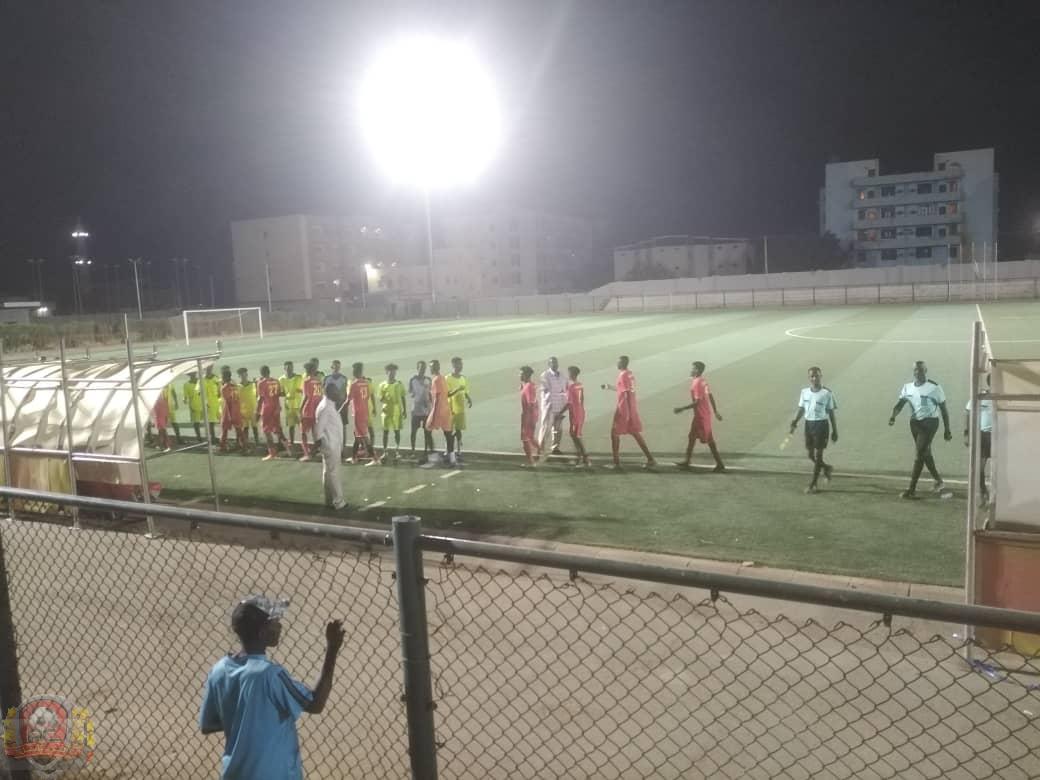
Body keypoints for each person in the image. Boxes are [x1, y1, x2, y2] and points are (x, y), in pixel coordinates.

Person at [199, 595, 345, 780]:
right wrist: (332, 648)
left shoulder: (219, 670)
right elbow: (315, 704)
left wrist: (246, 718)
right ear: (262, 633)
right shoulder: (270, 674)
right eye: (274, 622)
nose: (280, 625)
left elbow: (207, 724)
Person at [889, 360, 953, 499]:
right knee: (925, 453)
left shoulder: (934, 387)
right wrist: (893, 416)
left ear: (926, 371)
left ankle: (911, 489)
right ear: (913, 372)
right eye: (916, 370)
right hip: (915, 424)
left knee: (919, 454)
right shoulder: (907, 387)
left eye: (921, 370)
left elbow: (944, 409)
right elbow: (900, 404)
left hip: (930, 422)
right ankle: (939, 481)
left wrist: (947, 429)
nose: (918, 372)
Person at [788, 366, 838, 494]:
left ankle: (813, 484)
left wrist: (835, 430)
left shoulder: (827, 393)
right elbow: (801, 408)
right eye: (812, 376)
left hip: (821, 425)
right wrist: (795, 421)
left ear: (821, 376)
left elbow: (831, 413)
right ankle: (826, 468)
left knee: (818, 455)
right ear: (809, 378)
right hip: (809, 425)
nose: (814, 378)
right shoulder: (804, 392)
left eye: (817, 375)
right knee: (810, 455)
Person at [601, 355, 656, 470]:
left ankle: (616, 463)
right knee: (635, 433)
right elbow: (624, 389)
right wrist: (609, 387)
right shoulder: (629, 374)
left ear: (623, 363)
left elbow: (626, 394)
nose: (617, 364)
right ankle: (650, 459)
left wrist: (625, 413)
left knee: (614, 433)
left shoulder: (623, 375)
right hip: (631, 408)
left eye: (618, 362)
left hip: (624, 408)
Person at [674, 361, 726, 473]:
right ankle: (687, 461)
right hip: (704, 415)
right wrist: (715, 411)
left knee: (709, 440)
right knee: (692, 437)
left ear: (697, 370)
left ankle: (720, 464)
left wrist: (682, 408)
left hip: (701, 417)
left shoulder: (697, 383)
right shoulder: (702, 381)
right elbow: (710, 395)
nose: (691, 370)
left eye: (693, 368)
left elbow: (697, 403)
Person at [314, 385, 348, 509]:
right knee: (334, 473)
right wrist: (324, 444)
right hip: (331, 445)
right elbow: (318, 431)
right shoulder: (326, 408)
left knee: (328, 473)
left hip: (332, 444)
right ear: (329, 393)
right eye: (336, 392)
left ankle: (329, 500)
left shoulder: (328, 405)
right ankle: (339, 502)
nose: (338, 394)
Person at [964, 374, 993, 504]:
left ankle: (997, 496)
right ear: (990, 383)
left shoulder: (1003, 398)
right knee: (979, 467)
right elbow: (968, 412)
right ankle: (983, 491)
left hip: (999, 436)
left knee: (1000, 468)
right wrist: (967, 433)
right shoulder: (980, 397)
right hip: (983, 436)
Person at [423, 359, 455, 468]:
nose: (431, 368)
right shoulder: (442, 378)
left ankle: (433, 457)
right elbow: (446, 394)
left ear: (436, 367)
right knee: (448, 434)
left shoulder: (436, 380)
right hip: (446, 410)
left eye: (432, 367)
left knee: (427, 429)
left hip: (438, 410)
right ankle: (452, 458)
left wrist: (433, 413)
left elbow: (437, 398)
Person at [257, 365, 290, 461]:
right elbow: (279, 394)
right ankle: (288, 449)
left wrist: (257, 412)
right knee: (278, 429)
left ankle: (272, 453)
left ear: (262, 373)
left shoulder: (261, 383)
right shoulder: (276, 381)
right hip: (276, 408)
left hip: (267, 409)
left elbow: (260, 399)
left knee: (266, 431)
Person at [345, 362, 376, 463]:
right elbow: (368, 397)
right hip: (365, 411)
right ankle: (354, 457)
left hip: (358, 413)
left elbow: (348, 400)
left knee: (364, 436)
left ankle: (375, 459)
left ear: (355, 371)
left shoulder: (354, 384)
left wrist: (339, 411)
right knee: (357, 436)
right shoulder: (366, 383)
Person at [559, 365, 589, 467]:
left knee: (577, 436)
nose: (568, 374)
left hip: (575, 413)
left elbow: (569, 403)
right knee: (573, 434)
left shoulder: (571, 387)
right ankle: (579, 458)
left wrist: (560, 413)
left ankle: (585, 459)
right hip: (580, 412)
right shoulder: (580, 385)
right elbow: (582, 398)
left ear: (572, 374)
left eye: (569, 373)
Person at [538, 357, 568, 457]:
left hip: (560, 406)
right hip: (549, 406)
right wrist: (560, 393)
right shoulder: (545, 375)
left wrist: (564, 400)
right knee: (546, 428)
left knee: (558, 429)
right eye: (552, 363)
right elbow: (547, 390)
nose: (555, 364)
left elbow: (565, 388)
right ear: (549, 364)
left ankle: (555, 448)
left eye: (556, 362)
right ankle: (540, 448)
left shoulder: (562, 375)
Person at [446, 356, 472, 463]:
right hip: (450, 407)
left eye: (461, 364)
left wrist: (468, 398)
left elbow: (465, 391)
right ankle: (448, 450)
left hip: (460, 407)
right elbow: (447, 394)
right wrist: (457, 389)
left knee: (459, 430)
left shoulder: (463, 378)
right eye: (459, 364)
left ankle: (458, 450)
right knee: (449, 430)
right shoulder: (447, 378)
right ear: (453, 365)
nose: (461, 366)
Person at [378, 363, 407, 463]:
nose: (392, 373)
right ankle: (385, 451)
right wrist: (385, 397)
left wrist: (404, 410)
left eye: (394, 371)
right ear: (387, 372)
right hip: (386, 410)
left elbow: (403, 397)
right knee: (385, 432)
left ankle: (397, 450)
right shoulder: (382, 385)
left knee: (397, 431)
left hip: (396, 410)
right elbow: (380, 399)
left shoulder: (399, 384)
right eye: (390, 371)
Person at [408, 361, 434, 461]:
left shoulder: (428, 380)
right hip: (415, 410)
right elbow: (411, 392)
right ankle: (413, 451)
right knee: (413, 432)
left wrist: (431, 405)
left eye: (424, 368)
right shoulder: (412, 380)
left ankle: (426, 451)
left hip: (426, 410)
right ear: (417, 368)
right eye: (420, 368)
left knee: (427, 432)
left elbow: (431, 394)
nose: (422, 369)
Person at [299, 362, 324, 462]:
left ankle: (307, 454)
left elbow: (305, 397)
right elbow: (321, 396)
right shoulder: (318, 381)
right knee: (316, 432)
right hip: (317, 409)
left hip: (308, 410)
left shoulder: (306, 381)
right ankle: (318, 452)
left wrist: (300, 410)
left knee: (303, 433)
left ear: (308, 370)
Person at [324, 359, 349, 454]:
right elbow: (324, 393)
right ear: (332, 367)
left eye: (338, 367)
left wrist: (342, 403)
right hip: (331, 405)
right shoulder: (327, 378)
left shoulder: (344, 378)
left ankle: (343, 448)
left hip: (341, 405)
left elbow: (345, 393)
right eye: (335, 367)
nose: (337, 368)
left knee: (342, 427)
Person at [219, 367, 246, 453]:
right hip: (236, 410)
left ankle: (222, 447)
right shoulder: (235, 387)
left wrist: (228, 415)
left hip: (228, 412)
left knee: (224, 429)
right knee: (239, 430)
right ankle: (244, 447)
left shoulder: (224, 388)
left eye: (222, 377)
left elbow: (227, 401)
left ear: (225, 377)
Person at [280, 361, 304, 456]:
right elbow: (281, 392)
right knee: (291, 426)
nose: (289, 369)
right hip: (288, 405)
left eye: (291, 367)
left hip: (298, 405)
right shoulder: (281, 379)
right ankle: (292, 444)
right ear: (284, 368)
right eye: (287, 368)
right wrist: (286, 394)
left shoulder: (299, 377)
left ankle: (304, 446)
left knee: (301, 426)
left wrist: (300, 391)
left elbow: (304, 389)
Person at [519, 365, 539, 467]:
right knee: (530, 437)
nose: (519, 375)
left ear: (526, 374)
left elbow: (531, 403)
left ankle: (531, 462)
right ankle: (542, 451)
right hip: (531, 415)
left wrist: (530, 420)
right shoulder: (530, 385)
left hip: (528, 416)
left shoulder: (528, 387)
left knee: (525, 439)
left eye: (521, 373)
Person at [237, 367, 260, 451]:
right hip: (243, 410)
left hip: (253, 409)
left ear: (246, 374)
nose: (243, 376)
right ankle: (246, 443)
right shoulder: (237, 386)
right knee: (245, 428)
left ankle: (257, 442)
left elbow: (258, 395)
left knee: (254, 427)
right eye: (241, 375)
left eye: (244, 374)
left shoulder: (253, 384)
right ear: (239, 376)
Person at [152, 382, 179, 451]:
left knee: (162, 428)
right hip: (160, 407)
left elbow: (173, 393)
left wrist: (176, 403)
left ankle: (167, 445)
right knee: (161, 428)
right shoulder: (159, 386)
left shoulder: (169, 385)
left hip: (163, 407)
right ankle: (161, 443)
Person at [203, 365, 222, 443]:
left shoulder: (216, 378)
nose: (209, 370)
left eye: (210, 368)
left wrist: (220, 399)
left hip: (217, 402)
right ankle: (213, 437)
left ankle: (222, 437)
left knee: (221, 420)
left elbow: (220, 390)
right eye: (207, 368)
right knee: (211, 421)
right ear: (205, 369)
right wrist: (205, 401)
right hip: (208, 403)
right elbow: (199, 391)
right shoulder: (202, 379)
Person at [183, 371, 204, 441]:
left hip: (203, 404)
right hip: (193, 405)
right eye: (191, 374)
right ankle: (199, 437)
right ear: (189, 375)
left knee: (208, 421)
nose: (193, 375)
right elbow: (185, 396)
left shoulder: (201, 382)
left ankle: (209, 437)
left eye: (194, 374)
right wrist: (184, 400)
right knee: (196, 422)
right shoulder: (186, 384)